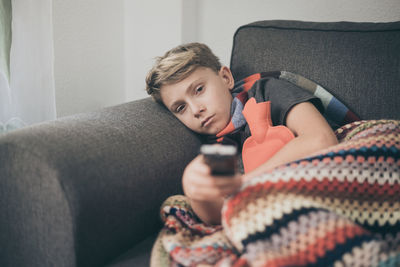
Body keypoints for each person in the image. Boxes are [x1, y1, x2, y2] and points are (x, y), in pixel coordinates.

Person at [145, 43, 338, 225]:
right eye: (181, 108)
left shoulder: (266, 91)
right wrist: (197, 193)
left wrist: (245, 183)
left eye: (199, 89)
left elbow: (320, 139)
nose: (196, 110)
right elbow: (221, 215)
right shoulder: (216, 149)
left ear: (226, 78)